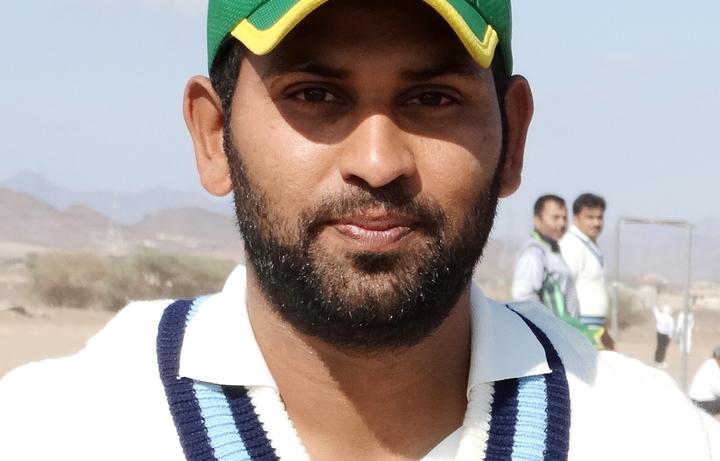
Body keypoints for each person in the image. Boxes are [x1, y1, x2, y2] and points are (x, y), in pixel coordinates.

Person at [1, 1, 718, 460]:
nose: (378, 163)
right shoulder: (57, 431)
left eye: (432, 98)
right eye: (314, 94)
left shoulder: (650, 437)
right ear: (214, 136)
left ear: (513, 138)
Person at [559, 193, 613, 349]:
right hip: (580, 327)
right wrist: (573, 328)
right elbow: (564, 289)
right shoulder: (572, 245)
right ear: (576, 218)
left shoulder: (588, 245)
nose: (596, 223)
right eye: (590, 217)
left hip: (594, 327)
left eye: (599, 217)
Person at [689, 347, 720, 415]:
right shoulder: (713, 367)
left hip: (696, 401)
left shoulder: (709, 364)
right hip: (702, 403)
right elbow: (716, 388)